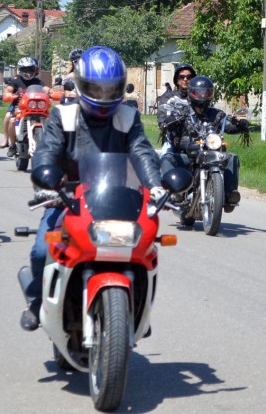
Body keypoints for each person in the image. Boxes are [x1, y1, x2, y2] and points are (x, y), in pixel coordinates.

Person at [20, 45, 165, 331]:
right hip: (66, 199)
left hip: (114, 200)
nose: (103, 96)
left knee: (145, 249)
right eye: (96, 89)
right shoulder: (63, 116)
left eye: (111, 89)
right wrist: (45, 179)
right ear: (83, 86)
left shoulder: (128, 117)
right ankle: (37, 301)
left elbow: (142, 153)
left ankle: (136, 306)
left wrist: (156, 186)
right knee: (40, 251)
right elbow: (46, 152)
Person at [159, 75, 246, 211]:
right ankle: (169, 192)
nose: (202, 95)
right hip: (188, 154)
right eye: (199, 92)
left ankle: (229, 195)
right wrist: (171, 121)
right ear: (191, 93)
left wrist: (240, 125)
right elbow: (167, 123)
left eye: (206, 92)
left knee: (231, 158)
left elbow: (227, 125)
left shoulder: (216, 114)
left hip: (210, 153)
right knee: (167, 158)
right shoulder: (183, 112)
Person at [1, 57, 49, 156]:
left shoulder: (37, 81)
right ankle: (12, 145)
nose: (27, 72)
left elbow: (46, 89)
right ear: (20, 70)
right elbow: (8, 89)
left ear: (34, 69)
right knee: (10, 119)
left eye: (30, 69)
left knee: (51, 119)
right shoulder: (16, 80)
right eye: (24, 69)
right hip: (18, 106)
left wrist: (54, 93)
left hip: (35, 107)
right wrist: (8, 94)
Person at [156, 63, 196, 151]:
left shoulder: (198, 98)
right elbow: (162, 120)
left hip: (196, 139)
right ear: (177, 80)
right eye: (181, 77)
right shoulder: (168, 97)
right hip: (173, 139)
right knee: (166, 157)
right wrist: (169, 123)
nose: (185, 79)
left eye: (189, 77)